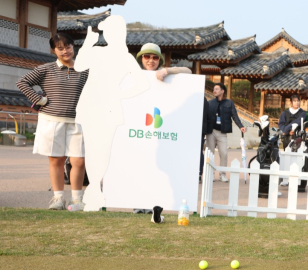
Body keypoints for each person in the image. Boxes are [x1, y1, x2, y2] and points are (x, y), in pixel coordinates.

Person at [73, 16, 149, 211]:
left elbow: (143, 83)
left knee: (104, 149)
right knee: (93, 149)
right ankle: (94, 191)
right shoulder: (97, 51)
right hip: (91, 104)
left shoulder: (126, 57)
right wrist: (88, 43)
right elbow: (78, 65)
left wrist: (121, 94)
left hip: (108, 106)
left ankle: (96, 190)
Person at [16, 33, 88, 210]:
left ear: (74, 47)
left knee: (78, 161)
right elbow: (22, 82)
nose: (65, 51)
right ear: (54, 50)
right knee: (56, 159)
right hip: (51, 120)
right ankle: (58, 199)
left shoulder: (85, 69)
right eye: (60, 48)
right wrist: (39, 100)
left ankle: (77, 199)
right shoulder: (46, 69)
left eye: (68, 46)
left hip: (78, 121)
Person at [132, 43, 196, 213]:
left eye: (154, 57)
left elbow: (189, 72)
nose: (151, 60)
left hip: (160, 127)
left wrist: (167, 71)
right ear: (141, 58)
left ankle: (154, 204)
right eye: (147, 56)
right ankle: (138, 203)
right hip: (139, 127)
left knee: (157, 168)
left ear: (159, 60)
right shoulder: (133, 75)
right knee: (140, 165)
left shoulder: (166, 75)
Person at [205, 83, 245, 182]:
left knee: (224, 153)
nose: (214, 91)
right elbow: (205, 117)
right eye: (214, 89)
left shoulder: (229, 103)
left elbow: (234, 116)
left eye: (217, 89)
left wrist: (241, 126)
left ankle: (222, 174)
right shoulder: (210, 103)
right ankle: (211, 174)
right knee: (210, 153)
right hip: (211, 132)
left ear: (222, 91)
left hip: (222, 133)